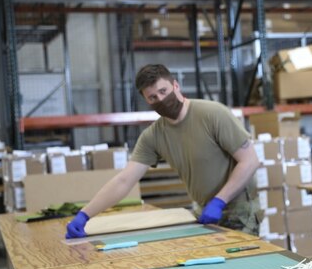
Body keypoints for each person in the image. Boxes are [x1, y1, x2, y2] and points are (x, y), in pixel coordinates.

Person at [65, 64, 261, 238]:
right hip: (203, 211)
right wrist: (85, 215)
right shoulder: (153, 136)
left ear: (176, 86)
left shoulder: (212, 114)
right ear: (146, 101)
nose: (161, 99)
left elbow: (249, 161)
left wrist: (220, 200)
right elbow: (124, 181)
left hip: (238, 211)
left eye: (163, 91)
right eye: (153, 97)